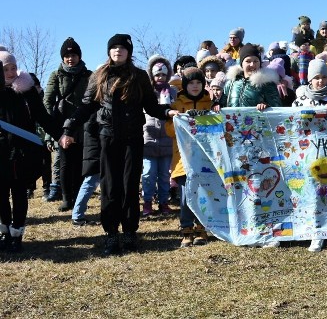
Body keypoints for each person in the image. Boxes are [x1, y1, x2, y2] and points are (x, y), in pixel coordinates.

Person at [60, 34, 180, 256]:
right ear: (109, 51)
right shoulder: (99, 76)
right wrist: (68, 128)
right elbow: (86, 105)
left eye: (122, 48)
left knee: (130, 185)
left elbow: (152, 106)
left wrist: (168, 112)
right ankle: (111, 234)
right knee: (110, 187)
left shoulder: (139, 76)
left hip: (133, 138)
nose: (118, 51)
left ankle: (129, 232)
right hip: (108, 136)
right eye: (114, 48)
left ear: (128, 52)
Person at [0, 53, 61, 252]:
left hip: (22, 152)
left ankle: (17, 233)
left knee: (19, 193)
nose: (10, 72)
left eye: (13, 68)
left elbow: (43, 117)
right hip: (0, 151)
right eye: (5, 68)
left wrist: (61, 135)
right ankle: (4, 232)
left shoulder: (27, 90)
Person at [292, 60, 327, 252]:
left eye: (324, 77)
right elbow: (293, 123)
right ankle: (316, 233)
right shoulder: (301, 99)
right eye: (316, 77)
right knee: (313, 193)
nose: (321, 81)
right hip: (310, 152)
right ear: (310, 79)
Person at [165, 67, 213, 248]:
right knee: (185, 196)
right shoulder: (177, 105)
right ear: (185, 85)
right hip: (182, 158)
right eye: (191, 83)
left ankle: (201, 228)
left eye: (198, 82)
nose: (195, 86)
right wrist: (178, 120)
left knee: (204, 193)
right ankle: (186, 229)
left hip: (205, 158)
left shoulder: (209, 104)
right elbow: (168, 131)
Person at [43, 37, 92, 212]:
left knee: (80, 163)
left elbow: (93, 100)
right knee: (64, 162)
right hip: (62, 126)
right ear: (62, 57)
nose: (70, 58)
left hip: (83, 124)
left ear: (79, 56)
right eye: (67, 55)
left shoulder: (89, 75)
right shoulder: (56, 75)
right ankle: (66, 198)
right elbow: (47, 102)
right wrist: (50, 131)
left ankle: (77, 197)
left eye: (73, 55)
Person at [141, 55, 178, 217]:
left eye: (163, 75)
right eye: (157, 75)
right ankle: (147, 202)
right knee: (148, 174)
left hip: (167, 139)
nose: (160, 78)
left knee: (164, 175)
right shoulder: (146, 91)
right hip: (148, 139)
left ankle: (164, 202)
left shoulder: (173, 92)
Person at [217, 44, 283, 111]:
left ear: (260, 63)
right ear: (241, 63)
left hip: (258, 121)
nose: (252, 65)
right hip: (233, 121)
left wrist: (267, 106)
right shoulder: (231, 83)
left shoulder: (267, 83)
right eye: (248, 61)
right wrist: (217, 105)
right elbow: (222, 103)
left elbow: (277, 107)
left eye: (256, 61)